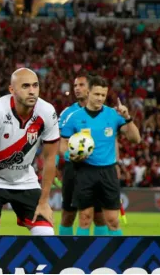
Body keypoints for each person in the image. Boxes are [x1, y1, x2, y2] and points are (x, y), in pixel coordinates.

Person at [0, 68, 59, 236]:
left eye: (35, 86)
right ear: (12, 90)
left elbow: (50, 159)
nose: (32, 91)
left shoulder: (47, 112)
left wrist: (44, 202)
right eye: (26, 86)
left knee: (46, 233)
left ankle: (34, 263)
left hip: (25, 180)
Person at [59, 76, 141, 236]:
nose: (100, 98)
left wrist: (127, 117)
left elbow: (135, 139)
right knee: (84, 218)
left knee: (112, 220)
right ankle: (80, 257)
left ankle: (115, 257)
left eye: (103, 95)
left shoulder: (114, 115)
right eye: (97, 94)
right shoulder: (74, 117)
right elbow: (63, 146)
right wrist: (71, 156)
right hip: (84, 171)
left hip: (108, 172)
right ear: (88, 92)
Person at [58, 74, 111, 235]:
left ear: (90, 88)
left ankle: (101, 255)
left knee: (99, 216)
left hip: (98, 170)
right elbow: (60, 143)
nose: (77, 89)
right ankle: (64, 254)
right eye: (75, 86)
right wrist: (70, 156)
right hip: (74, 169)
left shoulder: (105, 113)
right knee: (68, 214)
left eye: (81, 85)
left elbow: (111, 142)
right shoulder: (68, 113)